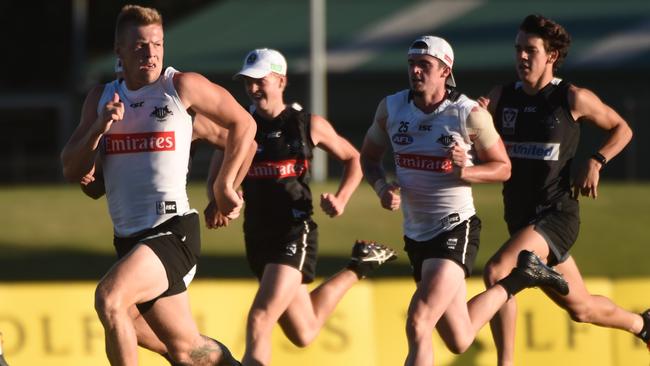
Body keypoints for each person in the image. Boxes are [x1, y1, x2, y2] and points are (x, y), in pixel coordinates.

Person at [60, 5, 256, 365]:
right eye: (139, 46)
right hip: (130, 240)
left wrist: (225, 185)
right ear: (119, 51)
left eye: (157, 44)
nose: (150, 53)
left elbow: (245, 127)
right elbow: (75, 172)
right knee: (186, 350)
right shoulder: (101, 100)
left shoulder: (179, 87)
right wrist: (97, 130)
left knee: (110, 298)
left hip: (172, 232)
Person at [360, 35, 571, 366]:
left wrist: (467, 171)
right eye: (412, 64)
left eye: (424, 65)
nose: (415, 71)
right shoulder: (392, 107)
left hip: (455, 227)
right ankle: (521, 278)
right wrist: (381, 187)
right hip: (416, 234)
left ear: (445, 70)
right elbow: (369, 159)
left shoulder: (467, 114)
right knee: (459, 338)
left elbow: (503, 168)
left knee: (419, 320)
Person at [204, 48, 397, 366]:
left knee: (260, 319)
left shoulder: (306, 124)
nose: (253, 89)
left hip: (294, 232)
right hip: (257, 236)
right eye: (247, 82)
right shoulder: (239, 126)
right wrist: (217, 203)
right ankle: (359, 265)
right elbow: (219, 175)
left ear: (281, 81)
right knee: (303, 332)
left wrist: (341, 198)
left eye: (260, 80)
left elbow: (354, 159)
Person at [479, 14, 648, 365]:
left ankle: (505, 362)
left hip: (556, 216)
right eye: (518, 50)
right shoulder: (501, 97)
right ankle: (643, 325)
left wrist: (596, 160)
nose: (521, 57)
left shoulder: (571, 98)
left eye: (530, 50)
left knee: (497, 272)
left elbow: (622, 128)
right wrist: (473, 120)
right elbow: (472, 134)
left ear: (552, 55)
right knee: (582, 308)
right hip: (522, 221)